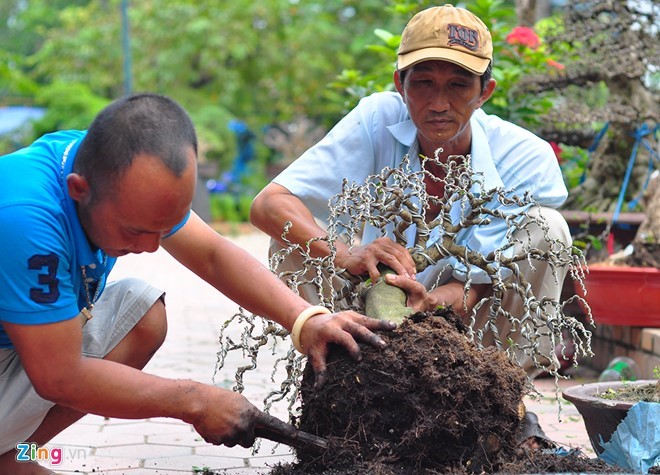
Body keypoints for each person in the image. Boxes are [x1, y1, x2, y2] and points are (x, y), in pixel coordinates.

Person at [0, 93, 396, 474]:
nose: (152, 247)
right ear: (78, 190)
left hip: (16, 351)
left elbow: (211, 254)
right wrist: (194, 401)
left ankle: (14, 456)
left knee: (141, 312)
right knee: (66, 367)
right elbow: (58, 377)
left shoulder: (109, 166)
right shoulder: (27, 218)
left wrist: (306, 320)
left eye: (162, 229)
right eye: (136, 231)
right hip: (41, 364)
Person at [250, 5, 572, 374]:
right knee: (293, 240)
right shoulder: (376, 119)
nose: (439, 104)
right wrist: (346, 255)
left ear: (485, 92)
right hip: (368, 302)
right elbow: (269, 205)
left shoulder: (522, 157)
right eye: (423, 83)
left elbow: (479, 284)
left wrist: (429, 303)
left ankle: (506, 388)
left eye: (458, 84)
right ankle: (342, 370)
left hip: (469, 325)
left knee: (549, 228)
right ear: (400, 85)